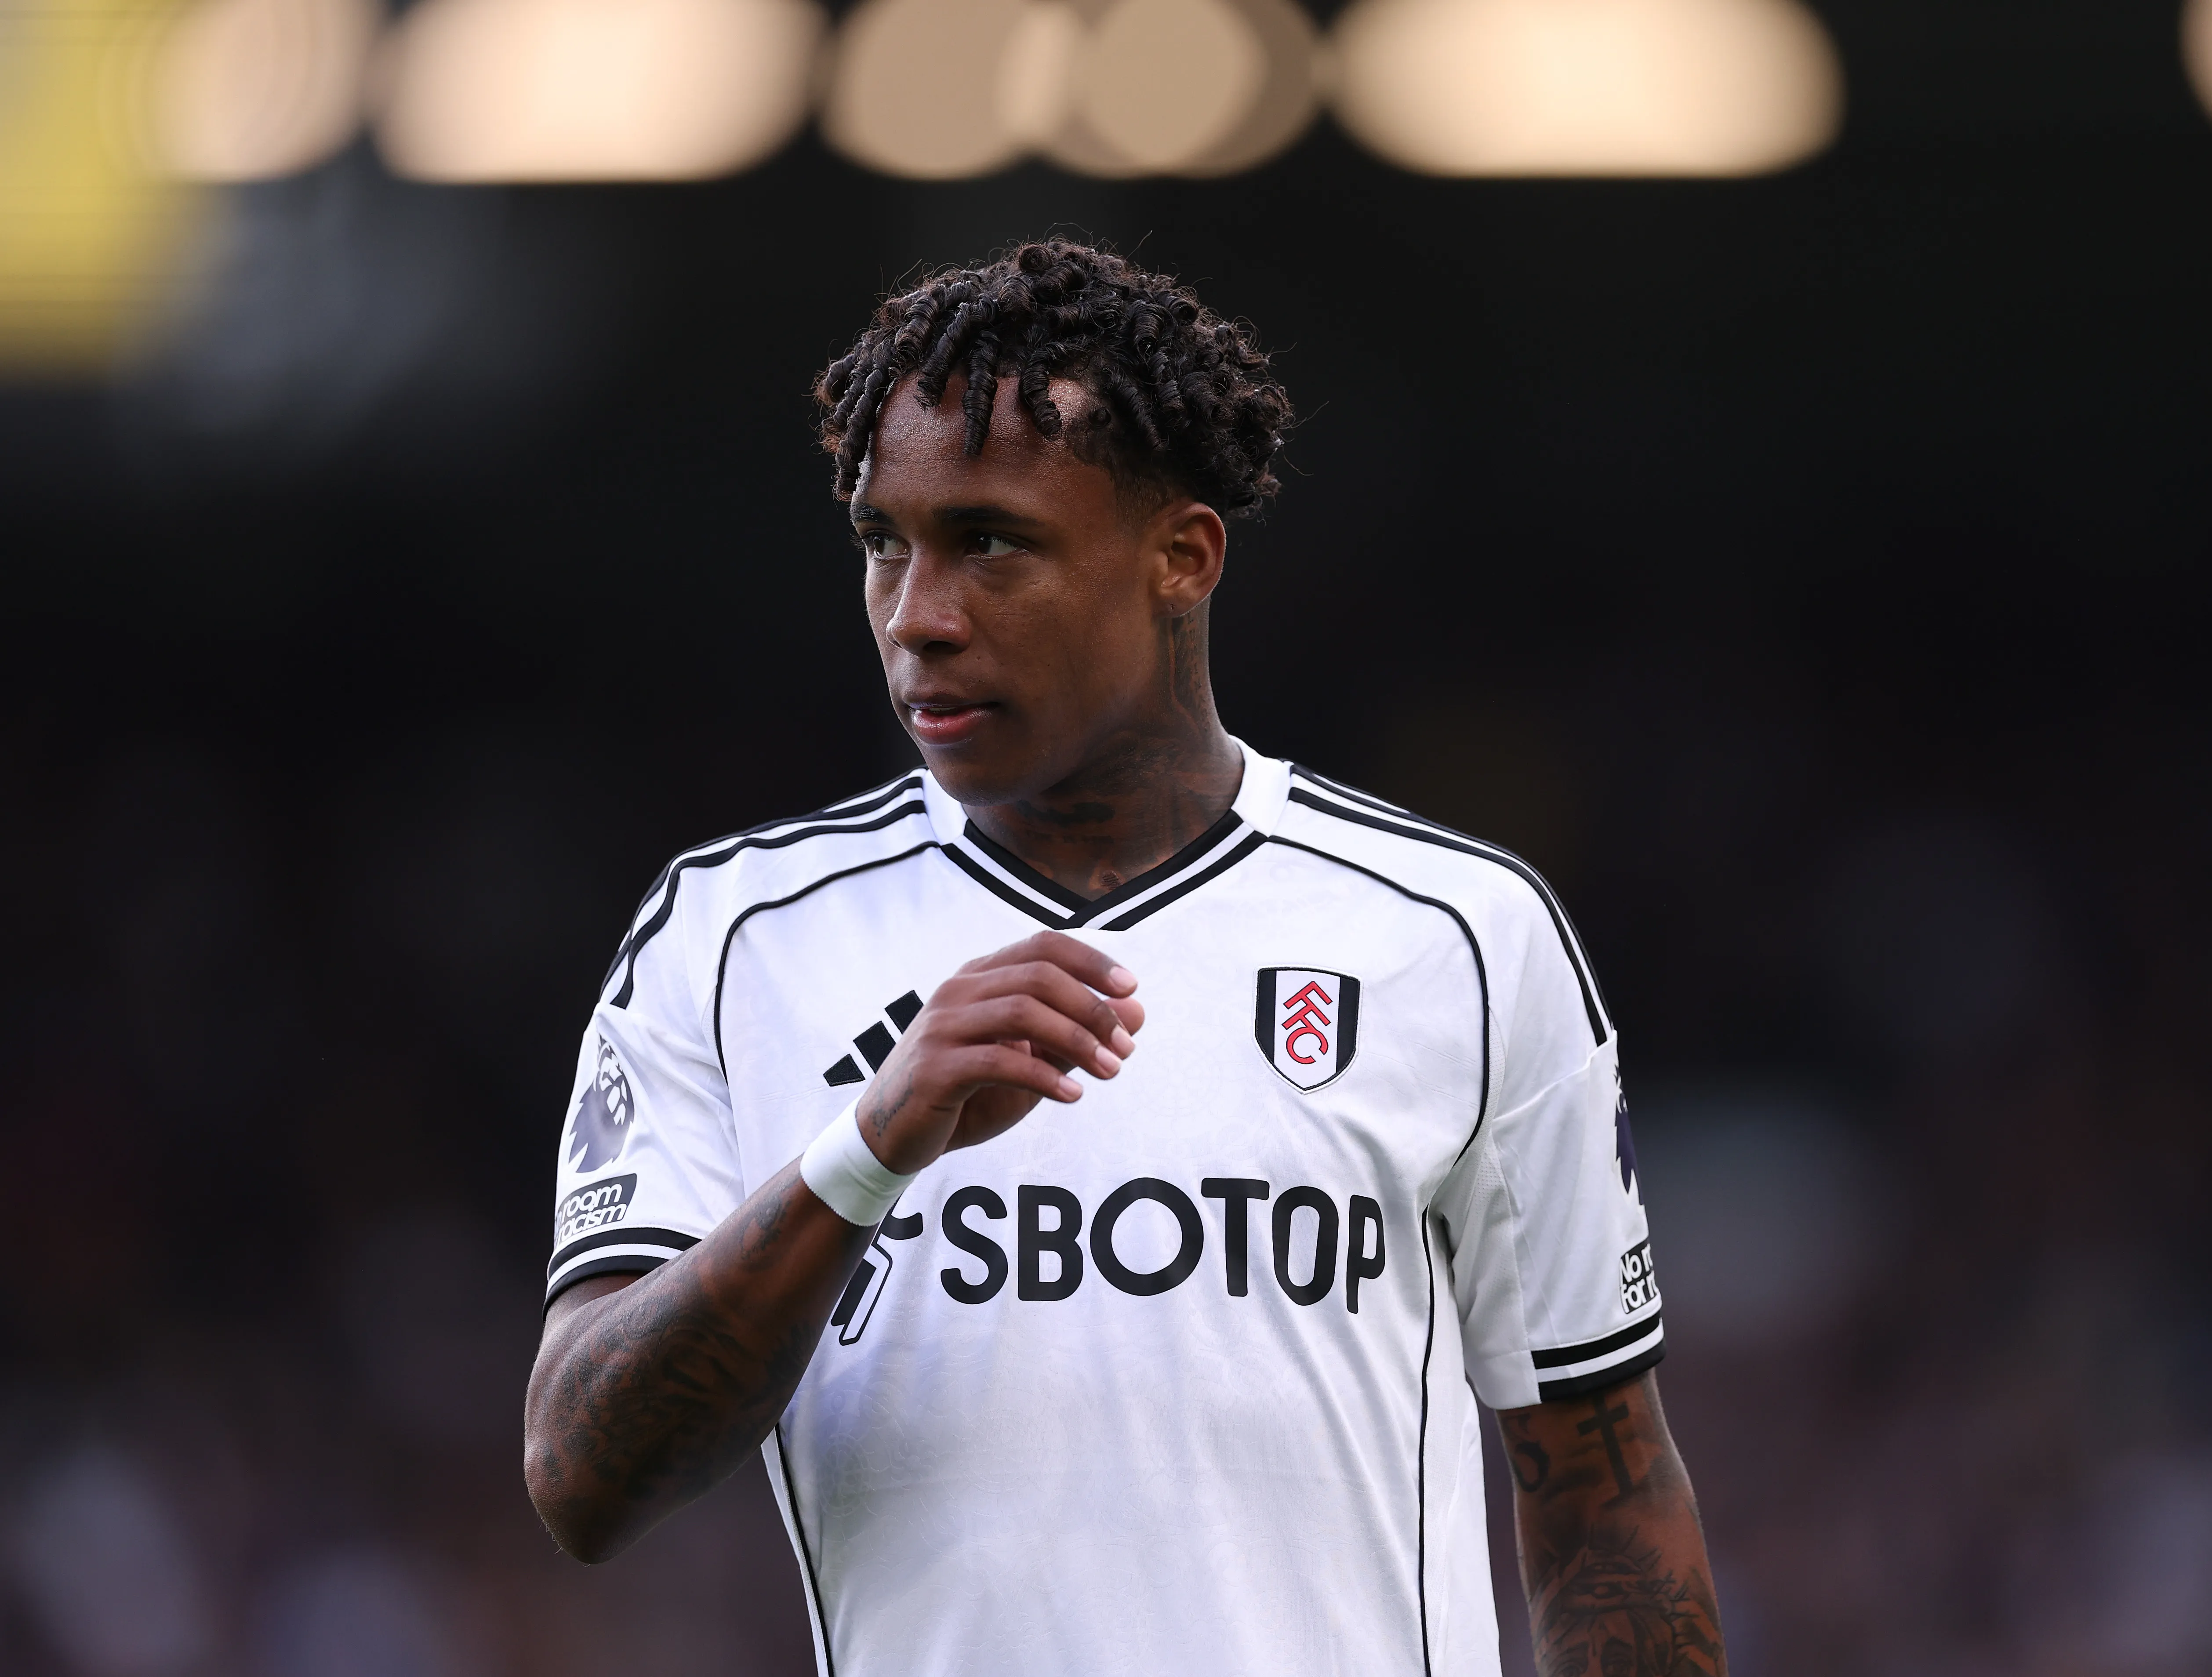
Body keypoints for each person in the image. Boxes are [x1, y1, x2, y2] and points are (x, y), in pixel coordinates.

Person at [525, 240, 1724, 1677]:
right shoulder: (735, 942)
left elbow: (1603, 1494)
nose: (919, 615)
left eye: (991, 541)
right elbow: (580, 1479)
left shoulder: (1451, 934)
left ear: (1181, 558)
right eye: (882, 543)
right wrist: (865, 1150)